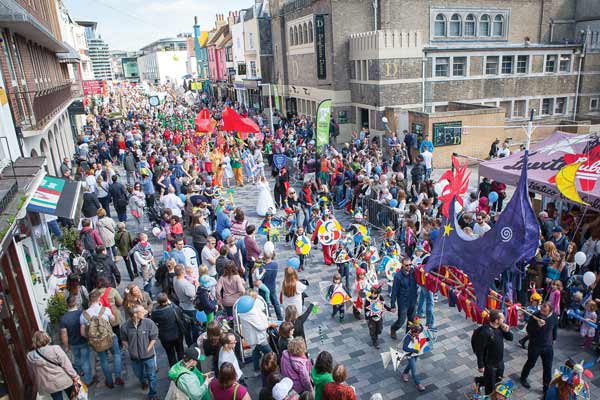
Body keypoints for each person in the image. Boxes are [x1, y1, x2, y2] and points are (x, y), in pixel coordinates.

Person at [80, 290, 124, 388]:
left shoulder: (84, 315)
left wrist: (92, 337)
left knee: (104, 360)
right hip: (110, 337)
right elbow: (112, 320)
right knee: (116, 355)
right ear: (99, 298)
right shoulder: (105, 309)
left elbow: (83, 333)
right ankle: (118, 377)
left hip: (97, 342)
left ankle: (109, 381)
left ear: (90, 300)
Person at [121, 304, 160, 400]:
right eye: (142, 311)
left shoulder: (149, 323)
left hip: (148, 356)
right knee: (139, 373)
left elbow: (154, 337)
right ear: (135, 314)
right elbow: (123, 339)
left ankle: (153, 394)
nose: (145, 312)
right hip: (135, 358)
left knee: (152, 375)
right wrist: (130, 349)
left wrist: (148, 348)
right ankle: (143, 382)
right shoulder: (125, 327)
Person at [27, 330, 79, 400]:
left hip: (48, 384)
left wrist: (35, 383)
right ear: (47, 338)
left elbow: (32, 373)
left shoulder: (30, 356)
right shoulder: (55, 348)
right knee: (73, 397)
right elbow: (66, 364)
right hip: (63, 379)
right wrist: (74, 375)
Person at [519, 302, 558, 397]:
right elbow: (529, 330)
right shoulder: (535, 316)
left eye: (544, 311)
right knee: (530, 363)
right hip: (535, 345)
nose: (542, 312)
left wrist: (554, 338)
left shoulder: (553, 316)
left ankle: (546, 388)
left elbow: (555, 328)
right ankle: (523, 378)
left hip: (548, 346)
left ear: (550, 311)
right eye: (541, 310)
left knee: (548, 367)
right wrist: (537, 326)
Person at [476, 310, 513, 395]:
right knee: (490, 386)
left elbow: (510, 338)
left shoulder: (500, 327)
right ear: (496, 321)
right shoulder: (485, 332)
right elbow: (480, 350)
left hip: (500, 361)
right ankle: (489, 396)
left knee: (498, 380)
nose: (504, 320)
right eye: (502, 318)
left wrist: (507, 331)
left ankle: (479, 381)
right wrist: (481, 365)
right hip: (490, 364)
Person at [60, 296, 94, 387]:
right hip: (83, 340)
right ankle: (88, 380)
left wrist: (66, 346)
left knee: (77, 358)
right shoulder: (82, 313)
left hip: (73, 342)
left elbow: (64, 334)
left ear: (67, 305)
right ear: (75, 303)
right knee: (86, 360)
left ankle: (80, 372)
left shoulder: (64, 318)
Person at [238, 292, 276, 372]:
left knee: (255, 352)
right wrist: (269, 324)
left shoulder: (243, 309)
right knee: (270, 353)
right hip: (258, 338)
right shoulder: (251, 314)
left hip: (251, 338)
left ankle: (256, 369)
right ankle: (270, 369)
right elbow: (261, 326)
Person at [389, 257, 418, 338]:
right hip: (403, 302)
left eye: (410, 264)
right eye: (406, 265)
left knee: (411, 320)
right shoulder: (398, 276)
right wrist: (392, 305)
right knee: (401, 320)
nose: (408, 266)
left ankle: (408, 336)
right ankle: (393, 328)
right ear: (402, 265)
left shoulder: (414, 272)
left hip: (412, 300)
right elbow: (394, 291)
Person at [174, 264, 200, 345]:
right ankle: (195, 345)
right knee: (194, 328)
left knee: (186, 329)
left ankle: (189, 344)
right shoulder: (185, 284)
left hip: (182, 305)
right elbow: (194, 295)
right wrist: (196, 286)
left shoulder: (175, 279)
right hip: (190, 308)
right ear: (183, 272)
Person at [400, 320, 426, 392]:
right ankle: (418, 384)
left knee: (411, 365)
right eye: (418, 333)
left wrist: (427, 340)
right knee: (414, 371)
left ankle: (404, 373)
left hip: (416, 354)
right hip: (410, 355)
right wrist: (415, 350)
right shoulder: (408, 337)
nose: (419, 334)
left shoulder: (417, 334)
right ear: (413, 331)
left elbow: (421, 340)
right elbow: (405, 348)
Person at [263, 250, 284, 320]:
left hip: (264, 288)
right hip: (272, 286)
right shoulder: (275, 264)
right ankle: (280, 318)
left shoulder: (263, 267)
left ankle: (268, 318)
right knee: (275, 303)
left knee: (265, 304)